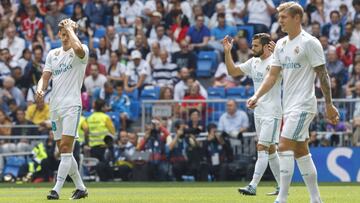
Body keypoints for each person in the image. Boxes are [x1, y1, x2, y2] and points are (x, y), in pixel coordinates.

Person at [246, 2, 340, 203]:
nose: (279, 21)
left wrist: (329, 104)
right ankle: (316, 199)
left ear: (297, 18)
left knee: (284, 145)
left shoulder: (310, 42)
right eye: (279, 18)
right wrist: (257, 96)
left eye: (283, 18)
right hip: (288, 106)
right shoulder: (280, 44)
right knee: (301, 151)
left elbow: (322, 75)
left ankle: (282, 198)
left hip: (304, 105)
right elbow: (272, 76)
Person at [35, 18, 88, 200]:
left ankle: (56, 189)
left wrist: (71, 29)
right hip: (55, 107)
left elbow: (78, 49)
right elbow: (45, 76)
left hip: (72, 105)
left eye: (68, 34)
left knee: (66, 148)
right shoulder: (52, 54)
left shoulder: (82, 50)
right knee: (64, 151)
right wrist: (40, 88)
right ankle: (81, 187)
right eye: (63, 33)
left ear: (74, 33)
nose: (65, 37)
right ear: (59, 34)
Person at [223, 33, 281, 196]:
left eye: (255, 46)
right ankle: (281, 187)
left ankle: (253, 185)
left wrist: (279, 54)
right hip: (259, 112)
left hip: (273, 112)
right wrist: (227, 52)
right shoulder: (254, 62)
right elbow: (232, 71)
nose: (251, 48)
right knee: (270, 150)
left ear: (265, 46)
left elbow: (291, 74)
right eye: (252, 44)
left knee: (262, 147)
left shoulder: (276, 62)